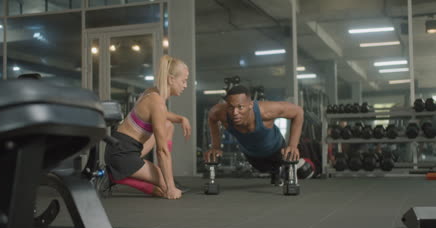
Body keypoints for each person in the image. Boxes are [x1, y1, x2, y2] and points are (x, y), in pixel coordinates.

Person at [105, 55, 191, 200]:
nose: (185, 85)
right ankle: (118, 177)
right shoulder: (157, 103)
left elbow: (161, 115)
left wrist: (181, 118)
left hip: (120, 146)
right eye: (183, 81)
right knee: (164, 187)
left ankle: (157, 174)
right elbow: (162, 150)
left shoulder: (152, 92)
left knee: (168, 125)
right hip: (122, 153)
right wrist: (170, 187)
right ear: (171, 79)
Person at [203, 85, 304, 184]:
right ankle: (275, 172)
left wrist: (292, 145)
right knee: (263, 169)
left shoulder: (265, 111)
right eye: (231, 107)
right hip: (251, 154)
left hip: (276, 149)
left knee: (279, 162)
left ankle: (282, 170)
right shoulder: (220, 112)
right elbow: (212, 118)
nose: (235, 112)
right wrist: (216, 146)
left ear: (250, 105)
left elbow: (298, 112)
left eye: (240, 107)